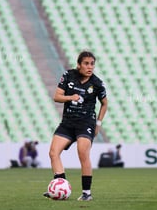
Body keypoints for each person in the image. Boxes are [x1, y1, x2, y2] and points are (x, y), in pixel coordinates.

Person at [43, 51, 108, 201]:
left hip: (86, 123)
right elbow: (57, 97)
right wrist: (71, 97)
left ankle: (86, 193)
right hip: (68, 122)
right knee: (53, 153)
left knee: (83, 153)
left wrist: (98, 123)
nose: (90, 67)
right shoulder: (68, 75)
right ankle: (61, 186)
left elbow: (105, 104)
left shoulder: (97, 83)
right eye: (86, 63)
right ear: (79, 65)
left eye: (92, 64)